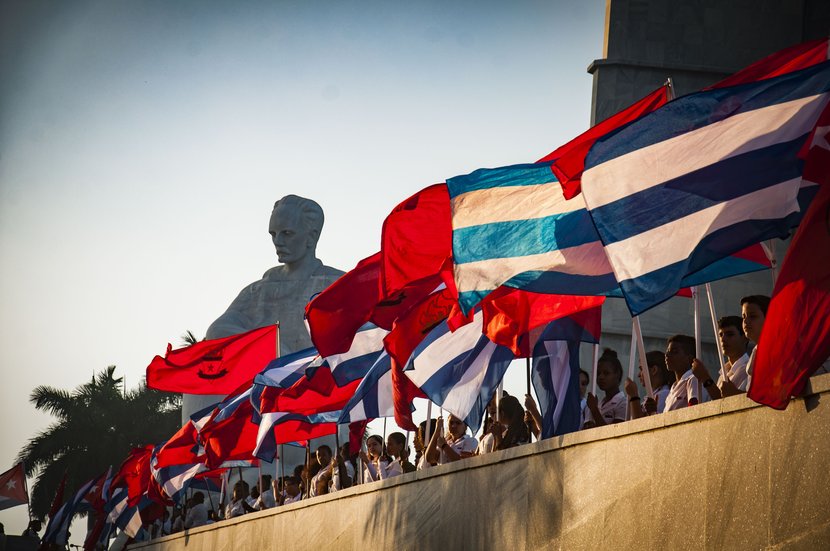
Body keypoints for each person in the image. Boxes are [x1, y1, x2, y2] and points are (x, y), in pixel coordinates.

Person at [691, 315, 751, 399]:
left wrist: (705, 378)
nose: (723, 339)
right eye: (720, 335)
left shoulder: (751, 370)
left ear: (745, 338)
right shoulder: (723, 374)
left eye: (730, 334)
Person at [583, 349, 627, 428]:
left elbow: (614, 433)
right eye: (598, 373)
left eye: (606, 373)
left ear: (617, 374)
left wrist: (594, 410)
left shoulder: (623, 403)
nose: (601, 377)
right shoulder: (599, 403)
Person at [624, 350, 671, 418]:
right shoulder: (655, 395)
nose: (638, 375)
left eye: (641, 369)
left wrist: (634, 396)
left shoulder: (664, 395)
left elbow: (641, 422)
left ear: (654, 370)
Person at [663, 334, 701, 411]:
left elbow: (694, 410)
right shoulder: (674, 386)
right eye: (667, 351)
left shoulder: (693, 379)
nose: (667, 355)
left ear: (689, 358)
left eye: (674, 352)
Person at [741, 295, 770, 390]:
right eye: (743, 317)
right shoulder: (756, 350)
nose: (745, 321)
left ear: (769, 318)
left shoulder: (778, 350)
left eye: (752, 316)